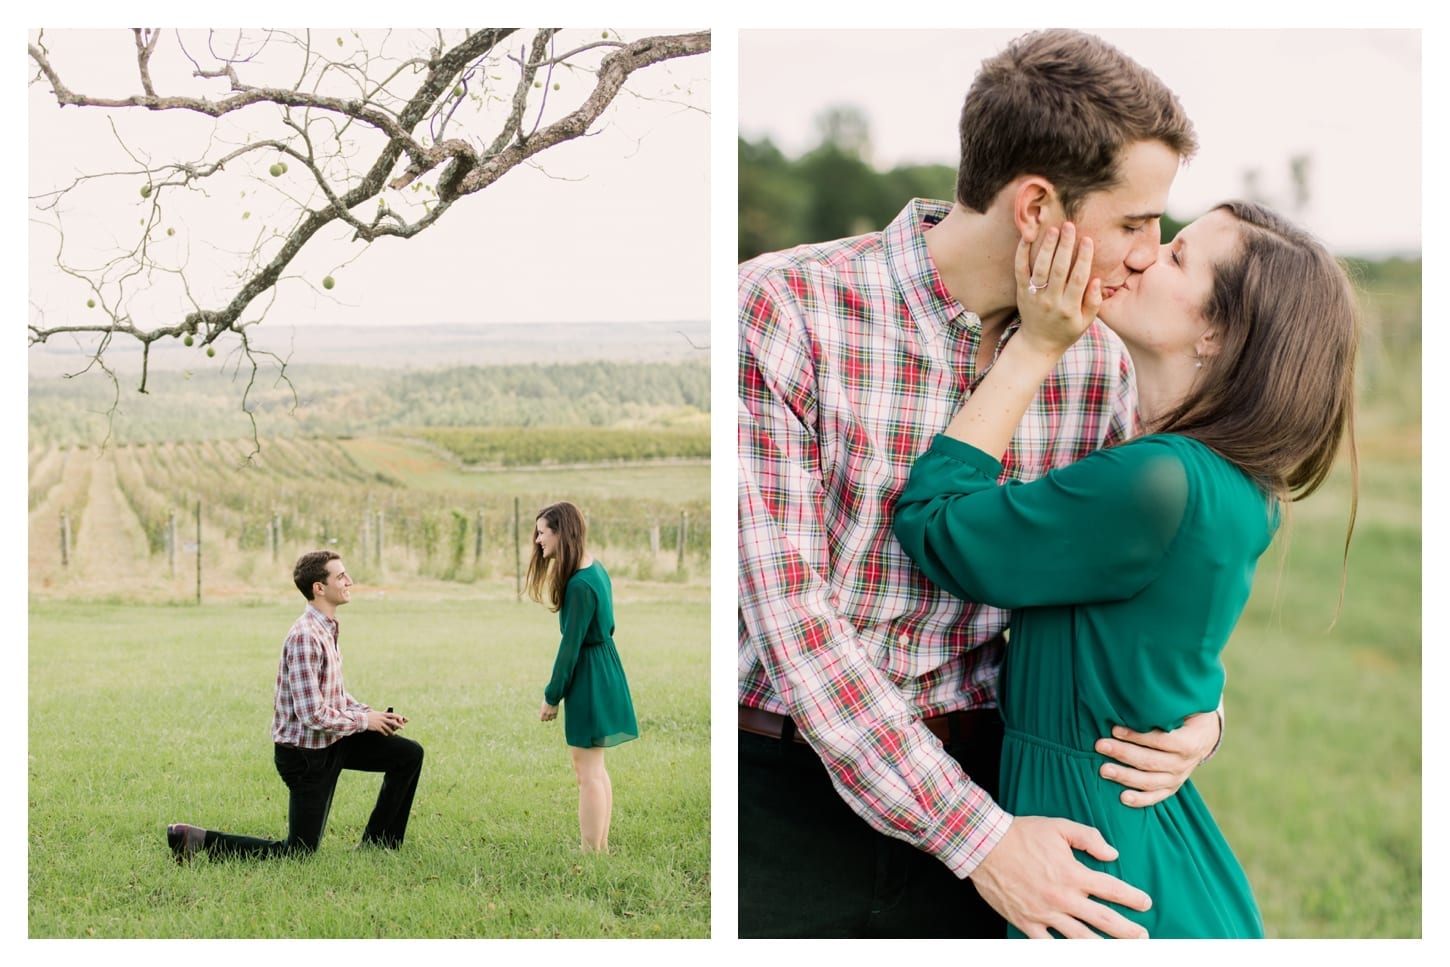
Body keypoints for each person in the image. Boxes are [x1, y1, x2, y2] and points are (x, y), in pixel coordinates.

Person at [738, 29, 1225, 939]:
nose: (1151, 254)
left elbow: (1138, 575)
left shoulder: (1101, 363)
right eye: (1133, 222)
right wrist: (981, 842)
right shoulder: (781, 311)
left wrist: (1205, 710)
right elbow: (794, 624)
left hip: (1016, 789)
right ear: (1038, 206)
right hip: (784, 804)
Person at [893, 201, 1358, 937]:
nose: (1143, 257)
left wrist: (1034, 347)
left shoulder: (1156, 481)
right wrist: (1209, 718)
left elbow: (937, 524)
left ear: (1218, 332)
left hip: (1098, 857)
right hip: (1135, 837)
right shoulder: (1233, 484)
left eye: (1177, 257)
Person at [165, 550, 424, 860]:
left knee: (408, 755)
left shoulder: (327, 628)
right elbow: (312, 714)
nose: (349, 581)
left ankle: (381, 843)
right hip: (305, 757)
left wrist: (371, 715)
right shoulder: (305, 637)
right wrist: (364, 723)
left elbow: (334, 696)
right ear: (319, 587)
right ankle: (193, 839)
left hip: (333, 741)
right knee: (298, 853)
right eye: (341, 576)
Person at [527, 501, 639, 852]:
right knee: (595, 767)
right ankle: (600, 848)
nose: (538, 540)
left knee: (586, 772)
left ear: (562, 532)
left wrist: (551, 696)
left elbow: (570, 647)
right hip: (605, 667)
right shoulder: (595, 568)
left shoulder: (578, 584)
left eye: (543, 532)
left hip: (590, 676)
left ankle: (592, 852)